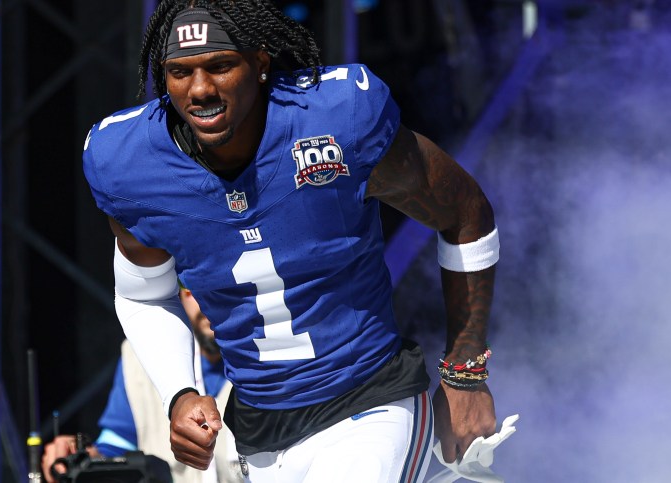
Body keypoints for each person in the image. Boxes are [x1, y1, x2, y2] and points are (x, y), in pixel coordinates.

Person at [82, 1, 501, 481]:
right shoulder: (131, 163)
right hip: (262, 436)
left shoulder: (334, 119)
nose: (199, 89)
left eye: (220, 66)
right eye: (179, 72)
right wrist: (179, 391)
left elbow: (466, 212)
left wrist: (466, 373)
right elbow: (143, 294)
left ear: (260, 63)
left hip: (369, 403)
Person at [42, 289, 242, 483]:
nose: (208, 299)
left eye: (224, 286)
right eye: (193, 288)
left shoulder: (270, 357)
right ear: (178, 293)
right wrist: (81, 458)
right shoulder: (140, 356)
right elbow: (117, 445)